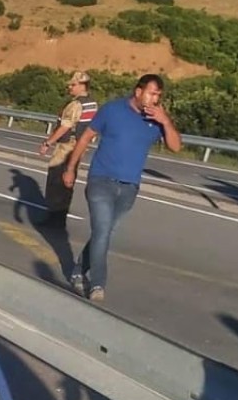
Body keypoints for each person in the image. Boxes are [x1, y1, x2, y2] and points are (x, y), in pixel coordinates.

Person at [61, 73, 182, 301]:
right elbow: (86, 137)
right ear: (138, 91)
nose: (155, 99)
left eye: (158, 95)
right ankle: (97, 284)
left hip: (129, 188)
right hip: (101, 181)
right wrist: (71, 168)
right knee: (103, 232)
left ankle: (78, 270)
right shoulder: (112, 110)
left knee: (104, 233)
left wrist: (165, 121)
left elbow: (176, 146)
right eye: (152, 93)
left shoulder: (156, 120)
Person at [37, 70, 98, 222]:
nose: (70, 88)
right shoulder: (92, 103)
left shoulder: (75, 104)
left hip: (67, 146)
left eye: (73, 85)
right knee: (69, 180)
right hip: (80, 146)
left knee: (56, 178)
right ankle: (61, 215)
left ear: (82, 85)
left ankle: (54, 216)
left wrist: (48, 143)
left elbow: (65, 126)